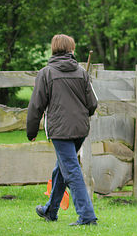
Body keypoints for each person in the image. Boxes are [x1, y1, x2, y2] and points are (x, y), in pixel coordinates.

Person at [26, 34, 99, 226]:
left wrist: (31, 131)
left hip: (60, 131)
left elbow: (36, 106)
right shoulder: (81, 72)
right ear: (70, 50)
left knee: (71, 170)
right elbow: (93, 104)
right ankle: (50, 210)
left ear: (54, 49)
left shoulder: (46, 73)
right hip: (80, 130)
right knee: (63, 168)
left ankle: (87, 216)